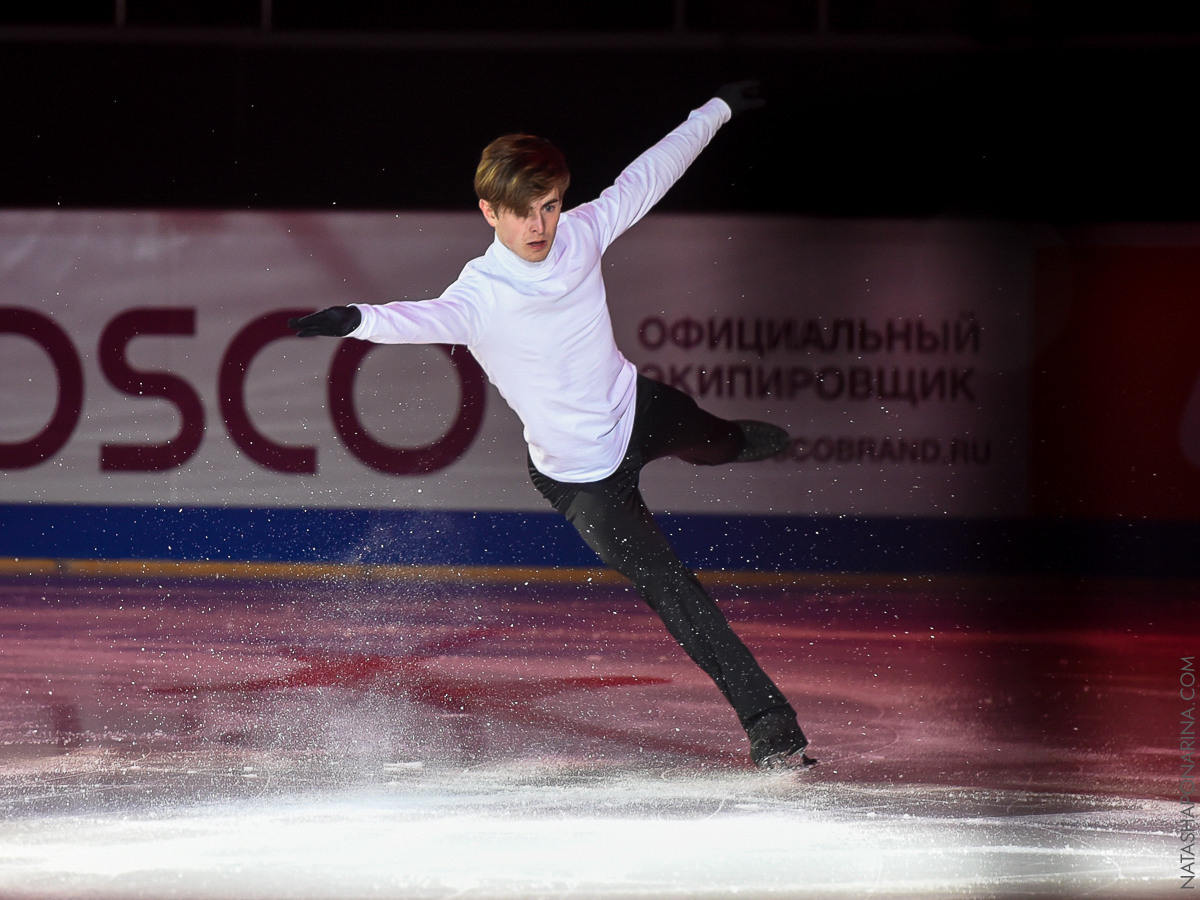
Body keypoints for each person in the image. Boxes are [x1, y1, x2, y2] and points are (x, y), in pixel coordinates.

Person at [289, 81, 813, 770]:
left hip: (640, 408)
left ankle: (735, 444)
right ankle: (772, 725)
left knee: (715, 442)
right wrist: (350, 319)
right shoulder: (477, 297)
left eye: (549, 206)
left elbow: (649, 174)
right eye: (523, 212)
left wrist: (713, 111)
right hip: (583, 480)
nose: (540, 226)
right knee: (676, 593)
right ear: (488, 211)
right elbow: (411, 318)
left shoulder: (583, 232)